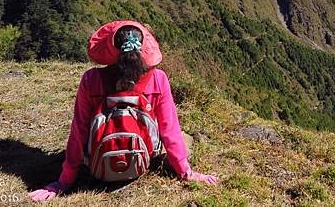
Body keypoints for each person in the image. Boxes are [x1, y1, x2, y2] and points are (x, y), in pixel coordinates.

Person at [29, 20, 218, 202]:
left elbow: (79, 132)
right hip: (140, 162)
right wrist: (187, 173)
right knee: (185, 139)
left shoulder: (91, 79)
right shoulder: (158, 79)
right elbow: (170, 131)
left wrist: (63, 182)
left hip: (96, 167)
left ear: (111, 49)